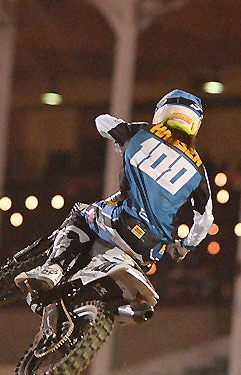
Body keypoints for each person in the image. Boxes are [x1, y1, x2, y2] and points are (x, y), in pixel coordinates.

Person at [15, 89, 214, 295]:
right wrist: (186, 245)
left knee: (81, 214)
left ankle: (54, 268)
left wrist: (123, 139)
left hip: (123, 224)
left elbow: (102, 121)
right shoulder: (199, 169)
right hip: (152, 250)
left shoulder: (142, 133)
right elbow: (206, 219)